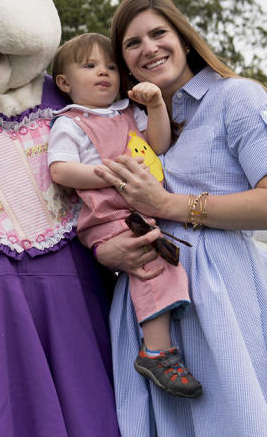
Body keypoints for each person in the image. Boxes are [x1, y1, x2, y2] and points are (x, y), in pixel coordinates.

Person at [93, 0, 267, 435]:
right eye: (132, 43)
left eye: (159, 33)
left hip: (222, 297)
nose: (149, 48)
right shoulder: (127, 124)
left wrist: (168, 205)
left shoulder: (236, 97)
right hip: (144, 305)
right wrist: (108, 252)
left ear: (184, 38)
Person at [47, 32, 200, 398]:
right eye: (90, 66)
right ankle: (157, 351)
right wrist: (106, 173)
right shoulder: (70, 123)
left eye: (111, 67)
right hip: (107, 218)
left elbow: (159, 145)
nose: (104, 73)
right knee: (151, 263)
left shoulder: (126, 113)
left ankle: (160, 342)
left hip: (138, 211)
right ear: (64, 82)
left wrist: (157, 106)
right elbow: (60, 170)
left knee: (164, 262)